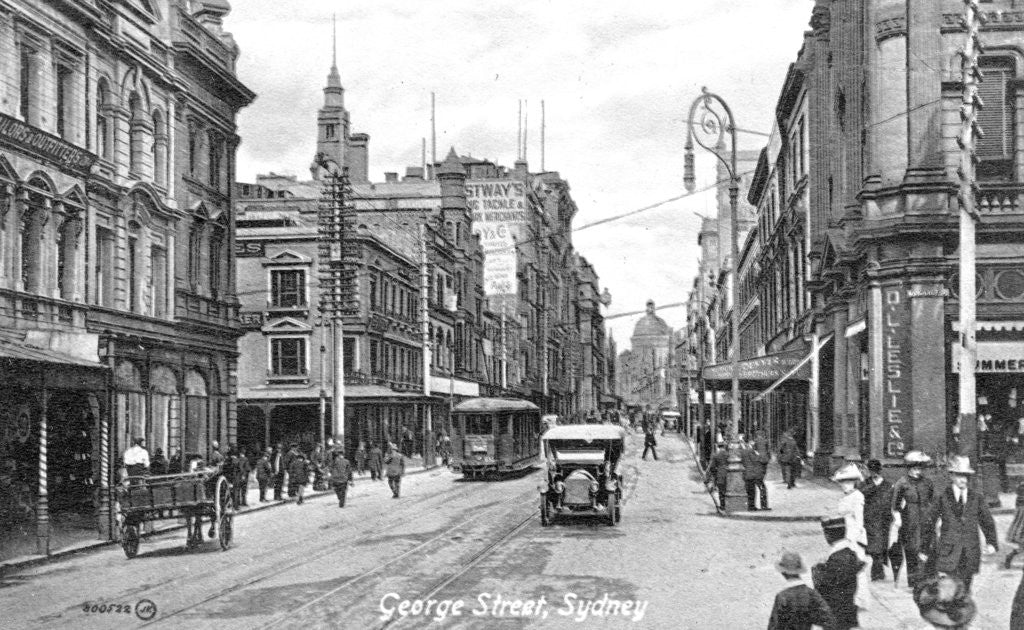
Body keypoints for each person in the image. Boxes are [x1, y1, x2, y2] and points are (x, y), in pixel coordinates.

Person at [928, 455, 998, 594]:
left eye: (966, 476)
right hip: (949, 550)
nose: (963, 480)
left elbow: (987, 521)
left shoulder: (976, 497)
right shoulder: (942, 497)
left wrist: (991, 543)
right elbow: (929, 522)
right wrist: (925, 547)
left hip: (970, 551)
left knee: (966, 588)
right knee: (951, 588)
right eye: (960, 475)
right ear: (951, 476)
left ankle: (961, 613)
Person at [891, 449, 936, 588]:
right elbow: (895, 505)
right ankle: (913, 580)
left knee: (928, 545)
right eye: (914, 468)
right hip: (910, 518)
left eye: (920, 468)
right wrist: (897, 519)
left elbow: (932, 500)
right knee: (912, 548)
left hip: (926, 517)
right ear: (909, 468)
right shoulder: (902, 483)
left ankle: (927, 578)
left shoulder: (927, 482)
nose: (918, 471)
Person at [812, 517, 866, 630]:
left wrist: (816, 568)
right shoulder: (849, 553)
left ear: (828, 535)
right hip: (846, 610)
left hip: (836, 612)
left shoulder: (837, 558)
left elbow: (823, 584)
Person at [767, 551, 834, 630]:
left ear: (783, 573)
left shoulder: (782, 597)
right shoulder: (811, 593)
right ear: (799, 571)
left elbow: (774, 627)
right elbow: (829, 620)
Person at [860, 459, 894, 581]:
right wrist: (873, 485)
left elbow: (892, 500)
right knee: (875, 546)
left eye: (876, 471)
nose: (874, 473)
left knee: (883, 545)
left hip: (884, 519)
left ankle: (879, 570)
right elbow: (861, 494)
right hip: (871, 519)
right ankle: (877, 571)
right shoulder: (865, 484)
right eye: (871, 471)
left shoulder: (888, 485)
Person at [742, 434, 770, 511]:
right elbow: (759, 460)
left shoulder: (743, 452)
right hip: (755, 474)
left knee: (751, 491)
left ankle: (751, 506)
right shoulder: (752, 452)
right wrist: (760, 456)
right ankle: (763, 506)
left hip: (747, 474)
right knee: (762, 489)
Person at [706, 441, 729, 509]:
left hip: (720, 474)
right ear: (724, 446)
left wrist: (715, 474)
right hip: (728, 474)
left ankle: (722, 505)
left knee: (721, 491)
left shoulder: (716, 455)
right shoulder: (728, 454)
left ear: (718, 447)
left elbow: (712, 467)